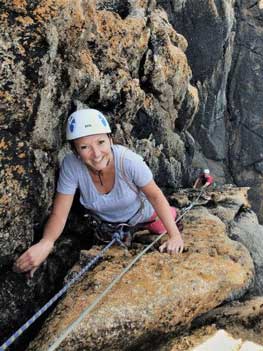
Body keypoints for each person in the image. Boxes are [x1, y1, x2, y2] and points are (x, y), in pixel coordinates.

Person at [14, 109, 184, 277]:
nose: (96, 154)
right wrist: (46, 243)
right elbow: (60, 213)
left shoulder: (128, 162)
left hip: (144, 215)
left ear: (110, 139)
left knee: (159, 226)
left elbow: (155, 196)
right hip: (109, 227)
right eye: (84, 147)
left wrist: (174, 235)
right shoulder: (72, 166)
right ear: (75, 151)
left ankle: (169, 215)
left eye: (101, 142)